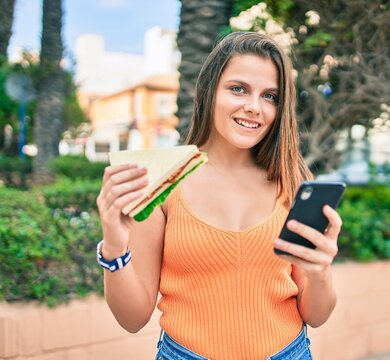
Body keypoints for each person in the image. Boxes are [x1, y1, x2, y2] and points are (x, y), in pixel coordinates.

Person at [96, 31, 343, 360]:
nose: (254, 107)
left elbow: (316, 315)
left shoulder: (293, 183)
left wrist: (320, 270)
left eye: (270, 96)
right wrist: (113, 245)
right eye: (238, 89)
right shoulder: (164, 181)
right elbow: (132, 318)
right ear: (209, 91)